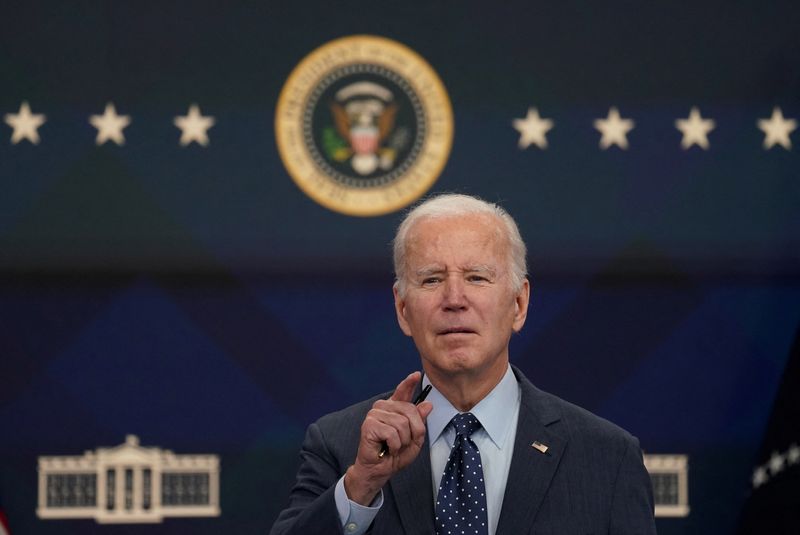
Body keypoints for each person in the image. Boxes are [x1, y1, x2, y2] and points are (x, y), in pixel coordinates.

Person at [271, 194, 656, 535]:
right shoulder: (341, 445)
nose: (454, 299)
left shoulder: (607, 456)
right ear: (403, 310)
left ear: (519, 304)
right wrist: (361, 484)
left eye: (476, 277)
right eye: (432, 280)